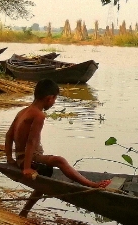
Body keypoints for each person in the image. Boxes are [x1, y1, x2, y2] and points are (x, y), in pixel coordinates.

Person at [6, 78, 111, 216]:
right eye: (55, 99)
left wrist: (10, 159)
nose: (54, 103)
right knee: (59, 161)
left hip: (21, 158)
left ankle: (24, 212)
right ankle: (92, 185)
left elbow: (9, 136)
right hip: (29, 160)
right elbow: (31, 142)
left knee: (46, 177)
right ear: (50, 98)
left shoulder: (23, 111)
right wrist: (26, 167)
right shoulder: (39, 115)